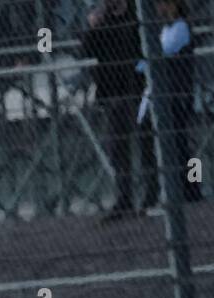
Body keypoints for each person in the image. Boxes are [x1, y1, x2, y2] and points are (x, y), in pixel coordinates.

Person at [81, 0, 155, 218]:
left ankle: (151, 197)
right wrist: (91, 28)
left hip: (137, 90)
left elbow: (146, 46)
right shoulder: (103, 21)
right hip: (111, 92)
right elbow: (85, 51)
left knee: (146, 145)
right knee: (117, 149)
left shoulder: (137, 15)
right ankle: (124, 199)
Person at [141, 0, 202, 205]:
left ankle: (191, 191)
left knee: (180, 146)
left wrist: (143, 61)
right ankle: (183, 191)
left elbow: (159, 54)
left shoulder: (180, 28)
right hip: (163, 96)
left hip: (174, 96)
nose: (158, 10)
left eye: (161, 5)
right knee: (175, 147)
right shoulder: (165, 30)